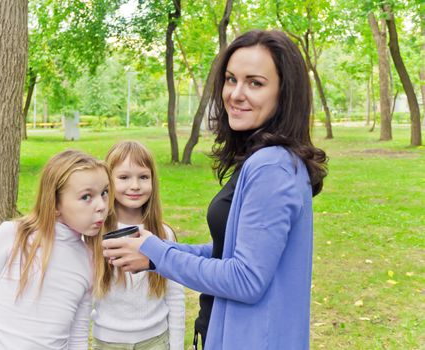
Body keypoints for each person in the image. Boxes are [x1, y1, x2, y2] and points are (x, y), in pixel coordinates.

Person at [101, 29, 328, 350]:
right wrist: (155, 250)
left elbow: (246, 279)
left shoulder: (271, 167)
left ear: (284, 93)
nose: (235, 93)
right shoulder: (263, 158)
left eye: (255, 83)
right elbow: (229, 252)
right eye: (230, 79)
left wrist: (158, 253)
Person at [0, 150, 111, 350]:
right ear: (54, 203)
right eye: (87, 196)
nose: (101, 206)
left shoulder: (88, 257)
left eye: (104, 192)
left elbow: (77, 336)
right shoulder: (12, 235)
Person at [91, 141, 185, 350]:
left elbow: (175, 297)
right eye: (124, 177)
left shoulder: (163, 233)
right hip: (108, 342)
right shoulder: (95, 234)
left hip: (156, 341)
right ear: (108, 183)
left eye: (143, 177)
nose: (135, 185)